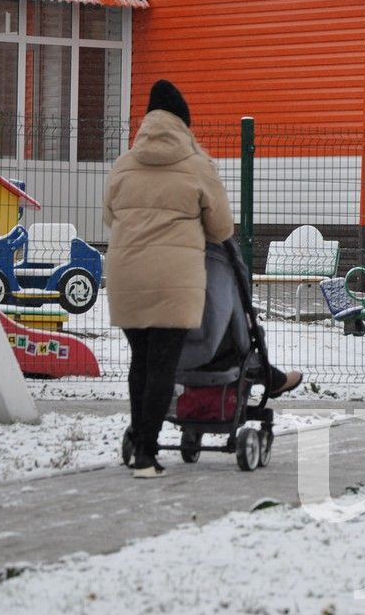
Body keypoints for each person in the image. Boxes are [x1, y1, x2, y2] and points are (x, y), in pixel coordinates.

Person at [105, 80, 301, 478]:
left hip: (126, 276)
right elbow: (221, 227)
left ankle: (142, 439)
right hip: (174, 280)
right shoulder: (197, 165)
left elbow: (110, 217)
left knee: (140, 363)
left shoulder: (123, 164)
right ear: (183, 123)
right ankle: (145, 453)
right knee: (162, 364)